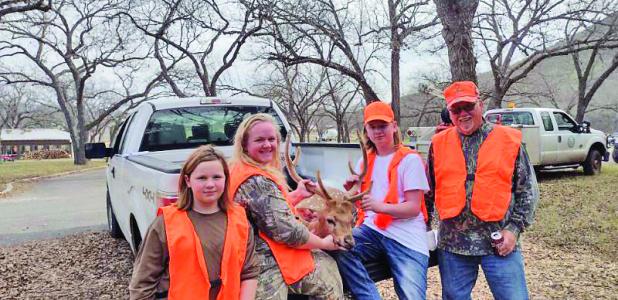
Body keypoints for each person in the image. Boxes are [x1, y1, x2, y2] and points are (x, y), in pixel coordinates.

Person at [427, 81, 539, 300]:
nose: (462, 114)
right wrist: (422, 228)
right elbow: (428, 191)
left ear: (481, 104)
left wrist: (513, 230)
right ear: (449, 112)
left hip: (498, 242)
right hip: (453, 245)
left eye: (468, 106)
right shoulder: (438, 144)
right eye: (455, 109)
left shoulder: (508, 140)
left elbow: (527, 191)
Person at [228, 113, 344, 300]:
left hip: (247, 252)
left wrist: (296, 196)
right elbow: (289, 233)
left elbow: (263, 210)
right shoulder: (258, 181)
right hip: (263, 262)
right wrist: (324, 244)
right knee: (327, 268)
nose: (267, 145)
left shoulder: (240, 168)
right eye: (259, 140)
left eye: (271, 139)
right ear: (244, 144)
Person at [129, 145, 259, 300]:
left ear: (226, 178)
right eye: (202, 178)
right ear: (188, 180)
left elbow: (249, 272)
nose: (210, 184)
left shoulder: (239, 219)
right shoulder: (166, 223)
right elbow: (142, 282)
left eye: (217, 177)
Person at [337, 101, 431, 300]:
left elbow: (414, 208)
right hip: (372, 231)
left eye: (383, 126)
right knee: (340, 246)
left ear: (394, 126)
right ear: (367, 130)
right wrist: (351, 192)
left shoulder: (410, 159)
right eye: (373, 127)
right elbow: (358, 203)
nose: (378, 131)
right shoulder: (365, 160)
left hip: (407, 238)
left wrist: (379, 207)